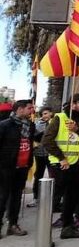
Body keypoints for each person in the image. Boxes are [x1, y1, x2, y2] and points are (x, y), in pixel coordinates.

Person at [43, 93, 79, 238]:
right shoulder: (60, 117)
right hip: (60, 165)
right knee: (55, 199)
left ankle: (67, 227)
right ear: (73, 104)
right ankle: (44, 234)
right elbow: (47, 141)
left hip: (76, 164)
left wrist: (77, 130)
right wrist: (61, 158)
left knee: (72, 197)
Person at [0, 100, 35, 237]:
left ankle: (13, 224)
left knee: (16, 197)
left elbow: (32, 141)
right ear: (20, 109)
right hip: (6, 167)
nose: (31, 110)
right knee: (3, 196)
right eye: (29, 108)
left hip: (23, 166)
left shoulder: (30, 126)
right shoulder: (5, 125)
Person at [29, 106, 53, 208]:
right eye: (43, 114)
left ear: (51, 113)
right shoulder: (37, 124)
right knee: (38, 175)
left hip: (51, 154)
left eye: (46, 113)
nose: (45, 116)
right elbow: (35, 137)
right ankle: (36, 198)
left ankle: (52, 198)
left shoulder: (55, 123)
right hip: (39, 153)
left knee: (53, 176)